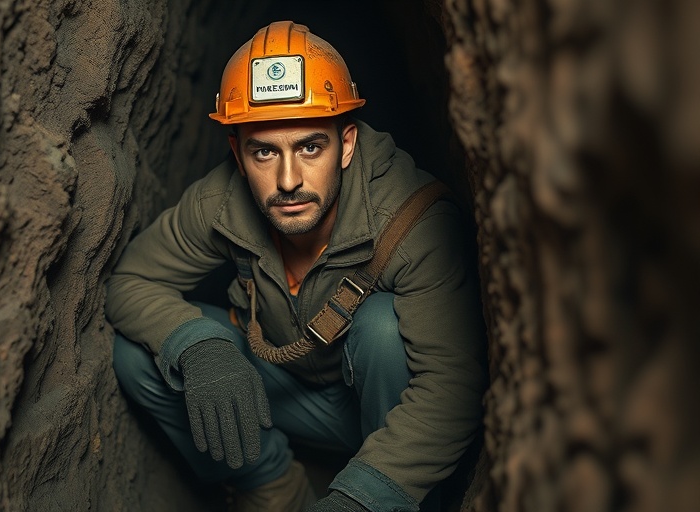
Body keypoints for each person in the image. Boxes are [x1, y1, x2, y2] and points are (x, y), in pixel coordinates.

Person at [107, 20, 487, 512]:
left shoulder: (415, 222)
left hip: (382, 407)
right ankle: (269, 483)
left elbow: (453, 383)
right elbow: (133, 280)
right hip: (277, 396)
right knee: (143, 355)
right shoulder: (220, 202)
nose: (288, 180)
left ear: (346, 144)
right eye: (264, 151)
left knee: (383, 329)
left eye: (310, 147)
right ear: (238, 157)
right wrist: (201, 348)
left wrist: (361, 500)